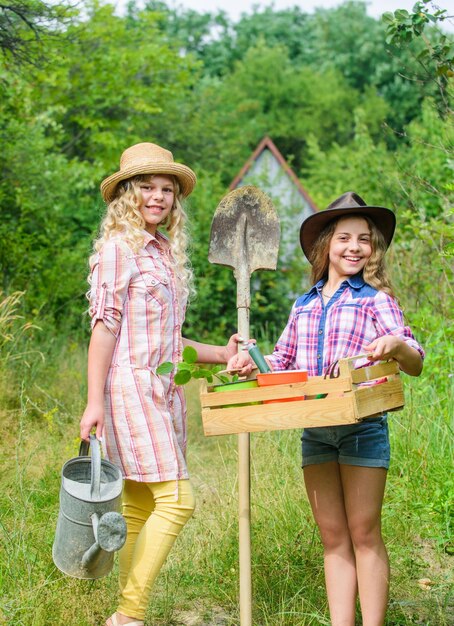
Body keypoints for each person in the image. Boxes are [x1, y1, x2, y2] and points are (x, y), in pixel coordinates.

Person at [228, 192, 424, 626]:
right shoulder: (304, 305)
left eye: (363, 240)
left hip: (362, 425)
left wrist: (395, 346)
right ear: (325, 246)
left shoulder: (376, 300)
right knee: (333, 537)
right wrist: (250, 364)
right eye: (343, 238)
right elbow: (282, 361)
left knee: (364, 533)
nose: (354, 247)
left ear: (372, 249)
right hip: (314, 428)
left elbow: (415, 358)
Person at [79, 142, 251, 626]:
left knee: (138, 502)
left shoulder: (165, 254)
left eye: (167, 190)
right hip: (130, 390)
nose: (158, 197)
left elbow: (169, 342)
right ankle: (129, 616)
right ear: (128, 194)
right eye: (148, 187)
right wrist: (94, 402)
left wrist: (224, 352)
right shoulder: (119, 250)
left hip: (164, 389)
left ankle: (122, 613)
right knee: (178, 500)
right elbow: (105, 327)